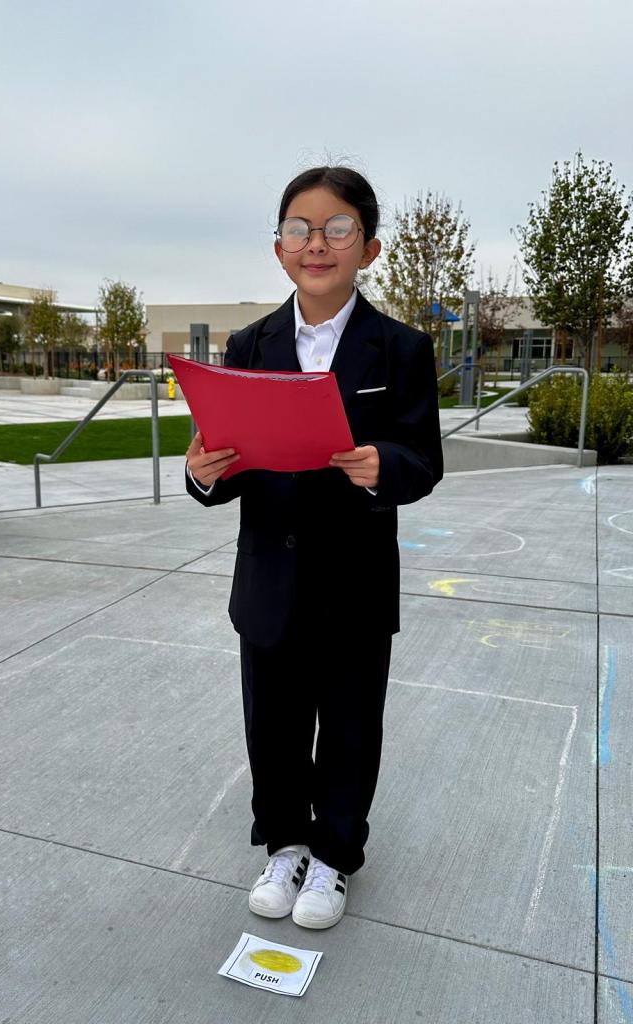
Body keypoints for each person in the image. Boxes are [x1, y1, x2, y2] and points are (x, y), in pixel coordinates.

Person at [184, 165, 443, 929]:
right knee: (274, 726)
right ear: (279, 248)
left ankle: (334, 856)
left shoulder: (399, 348)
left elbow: (423, 459)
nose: (316, 244)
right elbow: (227, 461)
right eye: (299, 229)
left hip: (356, 580)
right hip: (270, 576)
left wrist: (381, 465)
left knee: (352, 726)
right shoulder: (250, 343)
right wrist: (203, 474)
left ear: (369, 248)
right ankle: (284, 844)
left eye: (337, 229)